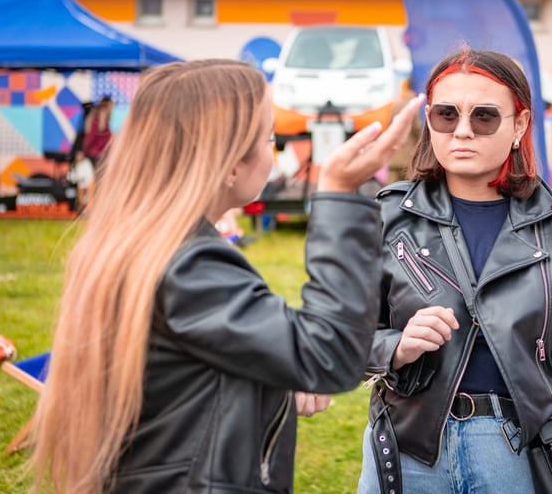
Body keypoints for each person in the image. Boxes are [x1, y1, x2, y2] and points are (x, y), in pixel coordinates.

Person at [29, 59, 421, 493]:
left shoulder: (153, 246)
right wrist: (338, 195)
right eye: (268, 138)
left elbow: (181, 381)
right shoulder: (187, 264)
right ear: (230, 164)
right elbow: (328, 352)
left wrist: (269, 385)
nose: (272, 154)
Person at [358, 49, 552, 493]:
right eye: (446, 114)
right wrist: (395, 346)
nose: (462, 131)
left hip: (519, 451)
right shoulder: (388, 217)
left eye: (483, 117)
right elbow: (340, 336)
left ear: (519, 125)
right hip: (407, 448)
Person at [82, 95, 115, 167]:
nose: (113, 109)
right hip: (96, 155)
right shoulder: (97, 120)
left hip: (101, 156)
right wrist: (84, 153)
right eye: (112, 107)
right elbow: (90, 138)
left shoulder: (104, 122)